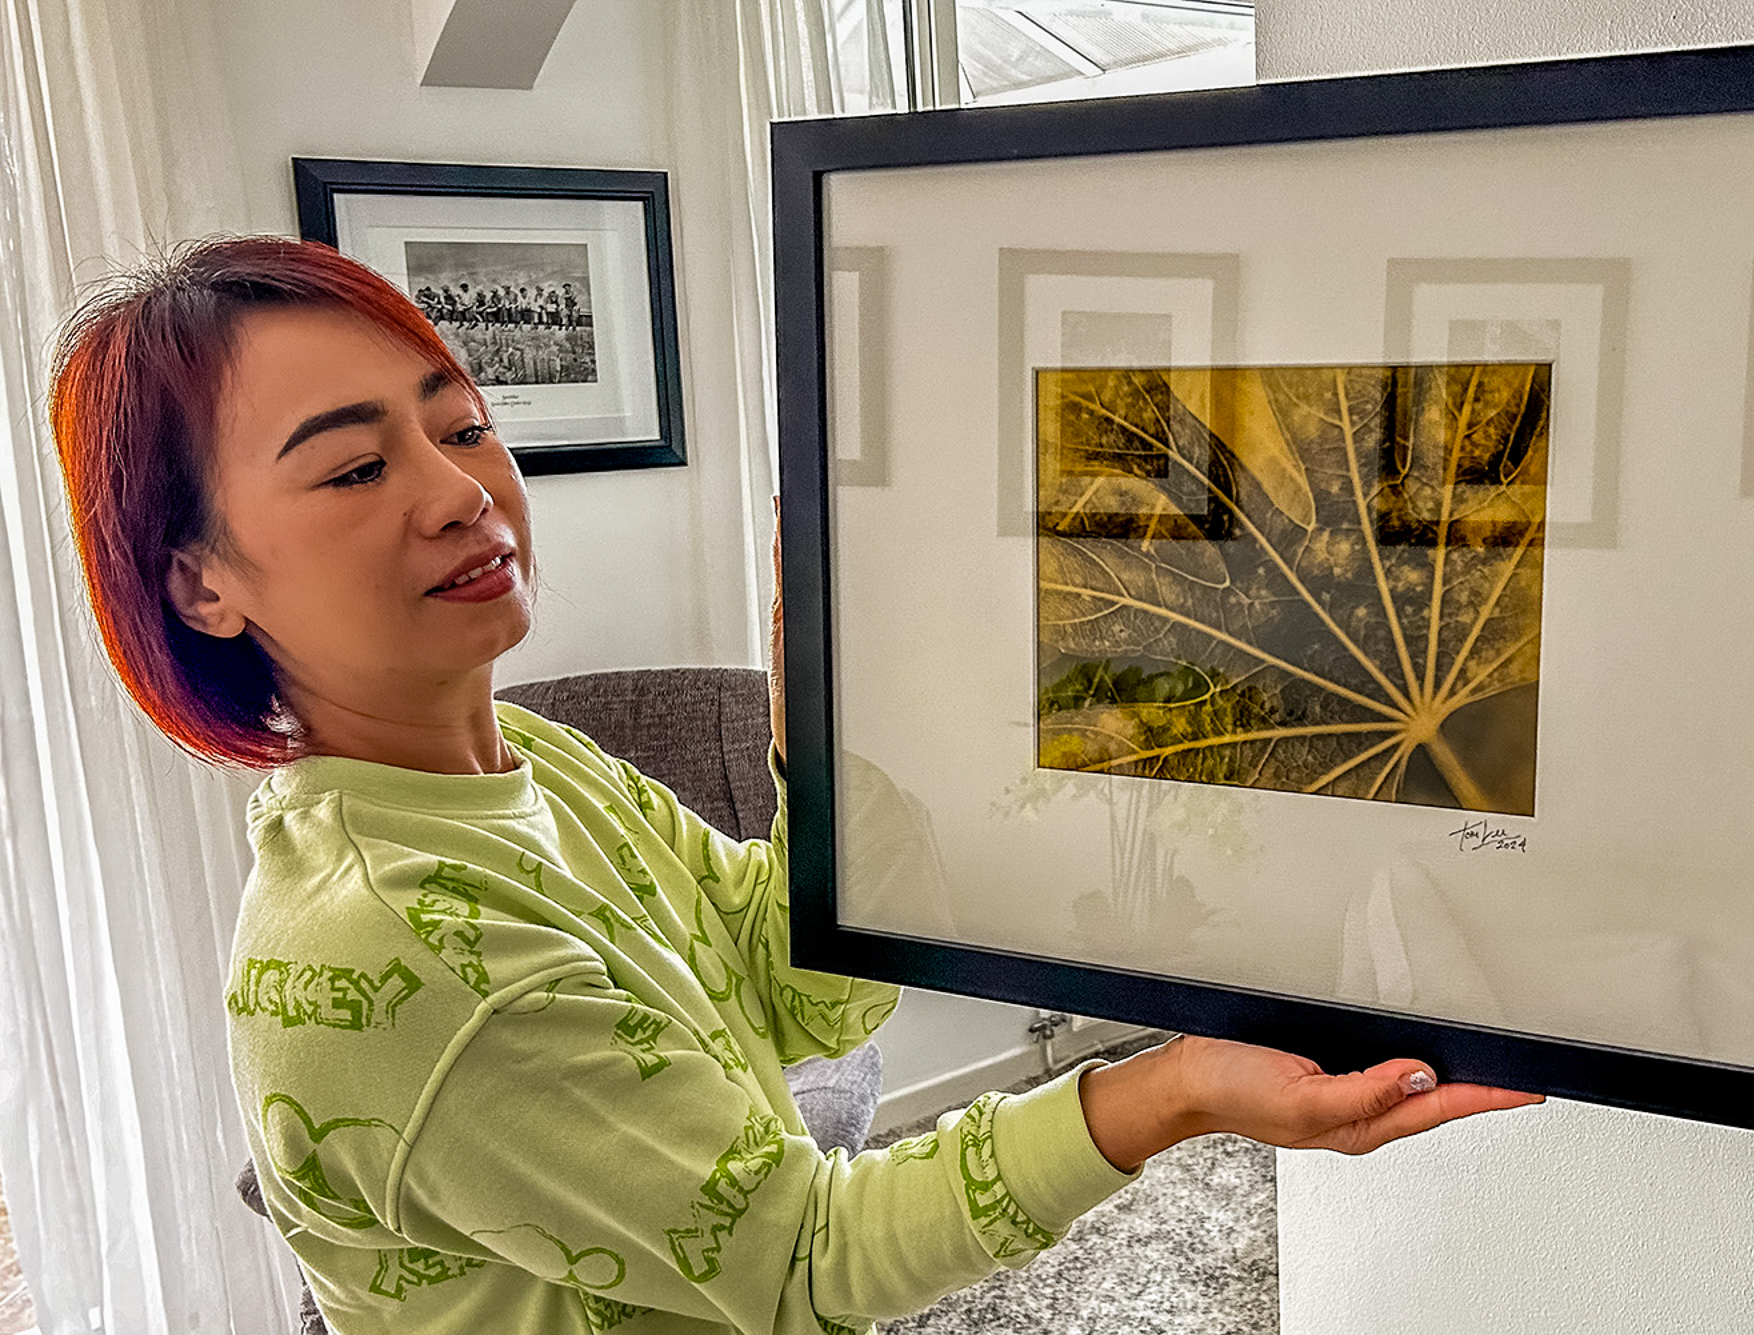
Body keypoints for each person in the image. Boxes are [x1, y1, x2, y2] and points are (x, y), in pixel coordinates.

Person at [47, 235, 1539, 1335]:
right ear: (200, 583)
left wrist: (831, 722)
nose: (461, 492)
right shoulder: (403, 945)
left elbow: (799, 994)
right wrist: (1175, 1088)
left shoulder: (529, 767)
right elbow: (804, 1257)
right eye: (353, 469)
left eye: (462, 424)